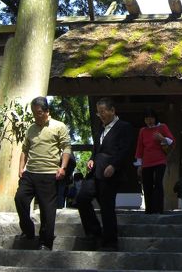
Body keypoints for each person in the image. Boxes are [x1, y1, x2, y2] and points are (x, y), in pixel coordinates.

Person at [14, 96, 71, 250]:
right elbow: (25, 150)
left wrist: (63, 167)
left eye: (38, 112)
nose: (36, 116)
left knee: (47, 210)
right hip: (30, 173)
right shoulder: (31, 128)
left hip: (49, 173)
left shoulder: (59, 126)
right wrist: (21, 168)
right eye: (34, 113)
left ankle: (45, 242)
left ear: (47, 111)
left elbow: (66, 148)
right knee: (20, 199)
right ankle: (28, 230)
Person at [76, 97, 133, 250]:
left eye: (103, 112)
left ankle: (110, 242)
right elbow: (97, 149)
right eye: (98, 113)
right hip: (95, 172)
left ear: (112, 110)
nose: (100, 115)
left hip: (110, 173)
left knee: (107, 207)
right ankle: (94, 231)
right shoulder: (100, 128)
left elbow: (125, 150)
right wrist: (91, 159)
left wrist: (114, 165)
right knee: (81, 198)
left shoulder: (124, 127)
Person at [134, 108, 175, 214]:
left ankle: (159, 208)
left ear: (155, 118)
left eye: (151, 118)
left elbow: (171, 141)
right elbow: (140, 147)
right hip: (146, 162)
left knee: (158, 183)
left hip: (160, 161)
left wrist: (162, 138)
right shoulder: (142, 131)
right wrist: (139, 164)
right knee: (147, 185)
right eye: (147, 119)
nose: (149, 121)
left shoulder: (162, 127)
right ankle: (149, 209)